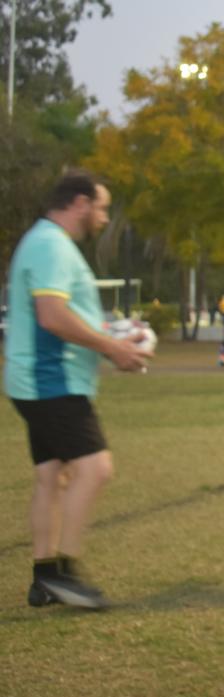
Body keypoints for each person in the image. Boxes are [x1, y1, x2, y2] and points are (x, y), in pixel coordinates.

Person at [4, 171, 151, 610]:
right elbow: (51, 316)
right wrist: (111, 347)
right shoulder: (51, 245)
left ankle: (44, 576)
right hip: (52, 381)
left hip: (38, 380)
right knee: (95, 468)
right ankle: (66, 575)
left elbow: (65, 312)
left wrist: (117, 338)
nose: (104, 218)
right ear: (81, 203)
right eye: (102, 207)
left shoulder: (46, 242)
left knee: (52, 476)